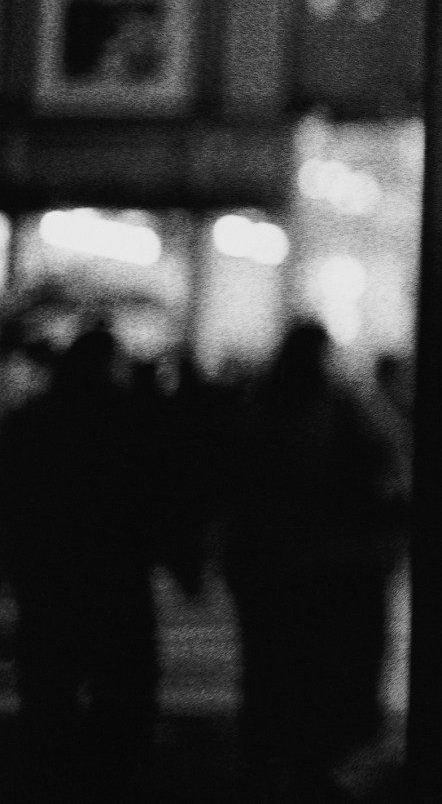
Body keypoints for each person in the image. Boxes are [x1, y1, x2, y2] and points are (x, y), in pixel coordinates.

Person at [0, 324, 189, 801]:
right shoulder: (131, 420)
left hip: (48, 571)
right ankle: (115, 773)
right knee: (122, 682)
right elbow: (161, 495)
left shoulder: (32, 419)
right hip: (116, 571)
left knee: (48, 684)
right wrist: (179, 557)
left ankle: (46, 772)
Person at [219, 320, 407, 802]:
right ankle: (312, 766)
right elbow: (388, 474)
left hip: (268, 564)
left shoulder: (256, 410)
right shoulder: (346, 409)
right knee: (324, 671)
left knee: (267, 670)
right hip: (333, 564)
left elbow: (232, 492)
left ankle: (263, 762)